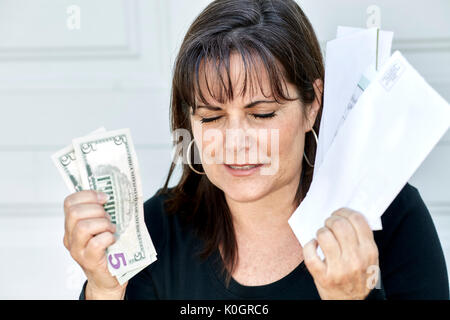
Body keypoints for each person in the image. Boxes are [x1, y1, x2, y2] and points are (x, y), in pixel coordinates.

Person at [62, 0, 449, 300]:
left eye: (261, 113)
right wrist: (104, 289)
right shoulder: (156, 233)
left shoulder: (393, 219)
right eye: (212, 117)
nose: (235, 141)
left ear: (313, 103)